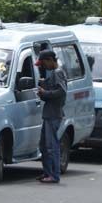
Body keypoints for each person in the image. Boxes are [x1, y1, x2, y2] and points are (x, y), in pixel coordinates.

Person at [35, 49, 67, 184]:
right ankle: (47, 172)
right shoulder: (54, 73)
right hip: (49, 113)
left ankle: (54, 175)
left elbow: (61, 91)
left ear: (50, 60)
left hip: (54, 114)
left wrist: (45, 92)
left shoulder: (58, 72)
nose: (43, 66)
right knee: (43, 145)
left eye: (44, 63)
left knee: (51, 145)